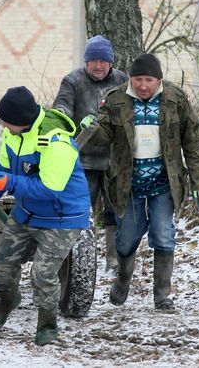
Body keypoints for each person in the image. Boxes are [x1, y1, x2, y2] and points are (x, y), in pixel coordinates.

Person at [80, 53, 199, 309]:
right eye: (138, 79)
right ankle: (122, 281)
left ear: (158, 80)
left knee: (164, 235)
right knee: (127, 238)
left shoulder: (175, 99)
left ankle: (162, 295)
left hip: (164, 182)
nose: (142, 85)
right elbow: (103, 136)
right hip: (127, 184)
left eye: (148, 80)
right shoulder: (117, 99)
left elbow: (193, 142)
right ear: (130, 79)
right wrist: (90, 127)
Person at [0, 86, 90, 345]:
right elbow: (2, 169)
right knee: (3, 265)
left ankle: (47, 325)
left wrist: (9, 182)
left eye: (7, 121)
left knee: (42, 274)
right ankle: (7, 302)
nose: (4, 127)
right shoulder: (13, 135)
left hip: (62, 217)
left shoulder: (56, 141)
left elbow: (50, 189)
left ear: (23, 120)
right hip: (27, 211)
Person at [53, 35, 128, 273]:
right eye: (93, 60)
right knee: (80, 211)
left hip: (114, 159)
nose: (98, 65)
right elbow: (60, 109)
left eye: (103, 61)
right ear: (86, 61)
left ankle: (114, 261)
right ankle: (79, 260)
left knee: (116, 211)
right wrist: (73, 123)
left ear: (111, 62)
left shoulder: (123, 81)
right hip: (82, 160)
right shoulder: (72, 81)